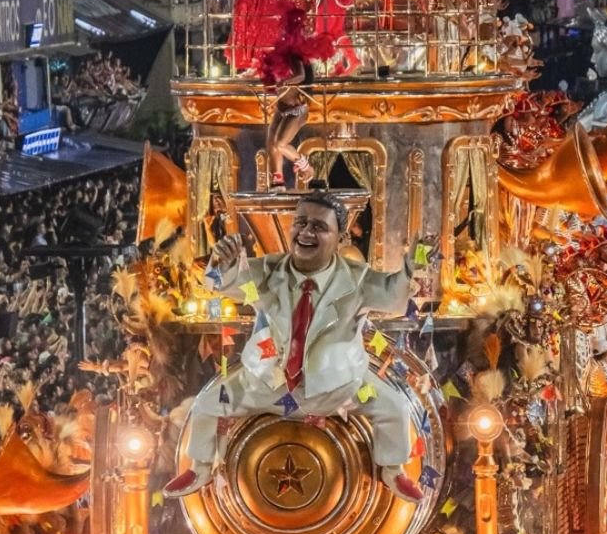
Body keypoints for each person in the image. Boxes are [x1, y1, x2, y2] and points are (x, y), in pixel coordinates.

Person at [163, 191, 429, 502]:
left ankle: (393, 471)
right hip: (267, 382)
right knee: (208, 403)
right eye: (300, 223)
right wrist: (221, 264)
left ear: (341, 237)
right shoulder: (269, 270)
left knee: (394, 406)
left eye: (318, 226)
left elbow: (395, 297)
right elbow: (220, 284)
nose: (305, 232)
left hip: (337, 387)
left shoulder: (357, 280)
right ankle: (201, 467)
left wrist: (414, 265)